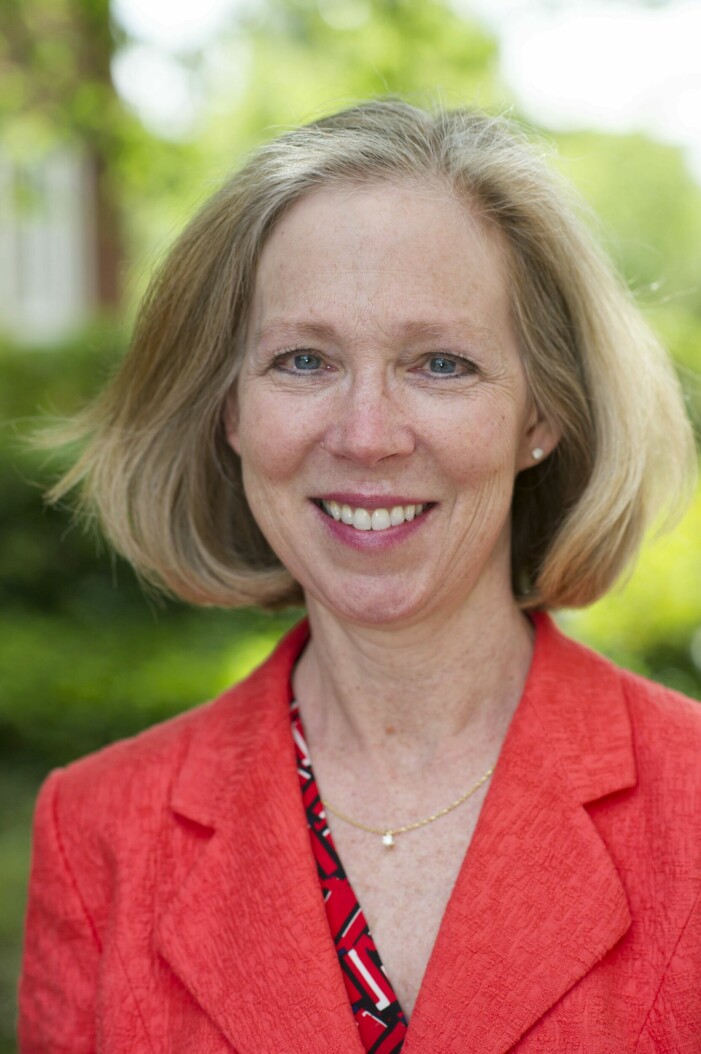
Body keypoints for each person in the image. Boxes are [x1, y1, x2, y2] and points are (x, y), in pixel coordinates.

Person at [18, 99, 700, 1053]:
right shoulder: (98, 833)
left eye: (440, 364)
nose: (366, 435)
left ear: (541, 415)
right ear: (230, 410)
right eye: (303, 360)